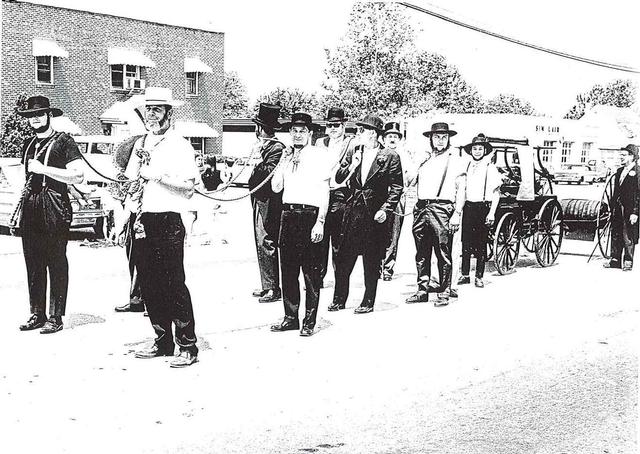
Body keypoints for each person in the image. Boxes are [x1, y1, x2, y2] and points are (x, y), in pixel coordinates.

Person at [122, 87, 200, 367]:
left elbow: (189, 189)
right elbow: (132, 182)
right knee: (150, 284)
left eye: (157, 109)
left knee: (173, 284)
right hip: (143, 220)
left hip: (168, 220)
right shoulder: (141, 143)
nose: (151, 114)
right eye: (148, 109)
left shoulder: (180, 145)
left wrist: (157, 177)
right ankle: (163, 340)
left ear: (169, 112)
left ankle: (188, 346)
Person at [16, 95, 85, 334]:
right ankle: (37, 313)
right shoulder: (28, 144)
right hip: (31, 205)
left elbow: (78, 175)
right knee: (33, 262)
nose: (35, 119)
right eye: (30, 116)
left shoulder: (64, 141)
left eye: (39, 114)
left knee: (55, 260)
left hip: (54, 205)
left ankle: (55, 316)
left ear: (49, 116)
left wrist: (44, 169)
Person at [329, 115, 403, 314]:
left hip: (374, 213)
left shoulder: (389, 155)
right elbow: (338, 177)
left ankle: (368, 300)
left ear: (375, 134)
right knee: (343, 257)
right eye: (360, 130)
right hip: (352, 211)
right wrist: (353, 164)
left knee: (371, 259)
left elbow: (397, 187)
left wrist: (385, 209)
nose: (359, 134)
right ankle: (339, 299)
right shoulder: (355, 150)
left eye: (364, 130)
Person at [270, 112, 332, 336]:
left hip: (310, 215)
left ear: (310, 133)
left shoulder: (319, 155)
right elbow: (276, 187)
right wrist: (283, 162)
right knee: (287, 270)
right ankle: (290, 316)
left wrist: (320, 222)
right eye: (294, 131)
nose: (297, 135)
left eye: (302, 131)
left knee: (311, 273)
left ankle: (309, 320)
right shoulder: (286, 156)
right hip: (288, 216)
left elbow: (324, 191)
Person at [406, 122, 466, 306]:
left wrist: (457, 213)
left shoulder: (456, 160)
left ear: (449, 139)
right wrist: (418, 162)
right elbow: (409, 181)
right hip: (422, 208)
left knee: (443, 253)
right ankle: (422, 290)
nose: (440, 140)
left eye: (444, 137)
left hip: (443, 209)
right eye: (436, 137)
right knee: (422, 253)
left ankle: (444, 292)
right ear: (430, 139)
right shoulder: (425, 160)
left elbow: (462, 189)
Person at [248, 103, 285, 303]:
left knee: (267, 241)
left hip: (269, 202)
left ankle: (273, 288)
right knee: (260, 241)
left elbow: (267, 174)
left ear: (261, 128)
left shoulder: (277, 148)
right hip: (259, 200)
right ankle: (267, 284)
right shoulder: (265, 147)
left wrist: (257, 159)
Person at [317, 107, 356, 286]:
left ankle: (341, 283)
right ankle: (317, 277)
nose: (333, 128)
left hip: (341, 195)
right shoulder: (319, 143)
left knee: (339, 243)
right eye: (330, 125)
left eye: (337, 125)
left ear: (344, 125)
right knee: (319, 240)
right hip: (321, 195)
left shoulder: (352, 143)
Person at [457, 134, 502, 288]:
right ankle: (464, 274)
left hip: (483, 208)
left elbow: (496, 193)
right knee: (466, 243)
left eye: (480, 149)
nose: (477, 151)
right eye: (474, 149)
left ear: (484, 150)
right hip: (468, 207)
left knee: (481, 244)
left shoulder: (490, 168)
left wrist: (492, 213)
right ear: (471, 151)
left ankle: (479, 276)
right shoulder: (467, 166)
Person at [381, 121, 411, 281]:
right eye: (389, 136)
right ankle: (376, 264)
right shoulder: (379, 153)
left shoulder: (404, 156)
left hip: (397, 198)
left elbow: (410, 176)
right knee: (378, 233)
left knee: (393, 234)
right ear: (383, 139)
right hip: (379, 198)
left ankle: (387, 268)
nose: (392, 139)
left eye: (395, 136)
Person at [604, 144, 639, 271]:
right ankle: (615, 260)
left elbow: (638, 194)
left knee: (628, 234)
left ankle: (628, 261)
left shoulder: (638, 172)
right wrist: (611, 207)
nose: (621, 158)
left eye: (623, 155)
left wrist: (635, 212)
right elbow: (615, 191)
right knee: (616, 233)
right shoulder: (619, 171)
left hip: (630, 210)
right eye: (621, 155)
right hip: (617, 208)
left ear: (632, 157)